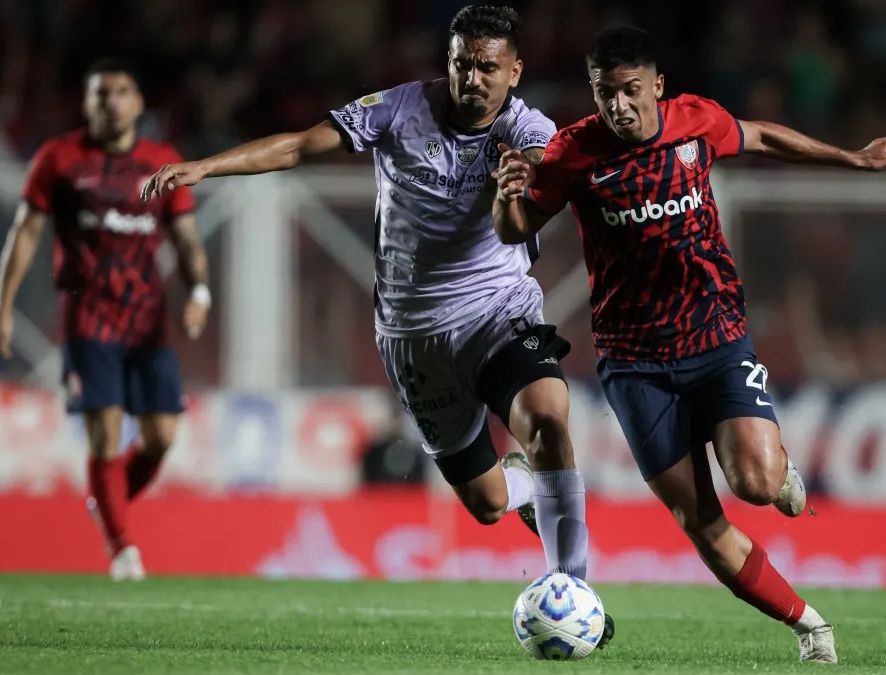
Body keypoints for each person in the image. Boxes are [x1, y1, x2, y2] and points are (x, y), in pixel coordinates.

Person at [141, 6, 612, 642]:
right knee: (487, 504)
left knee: (550, 419)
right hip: (412, 334)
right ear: (448, 62)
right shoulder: (398, 109)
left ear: (514, 72)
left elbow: (542, 162)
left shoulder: (526, 127)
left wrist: (524, 174)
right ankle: (524, 487)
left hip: (499, 309)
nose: (472, 78)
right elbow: (298, 146)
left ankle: (575, 593)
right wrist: (203, 167)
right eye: (461, 63)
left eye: (487, 67)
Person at [492, 26, 886, 664]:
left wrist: (852, 157)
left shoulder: (695, 121)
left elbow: (765, 136)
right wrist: (505, 195)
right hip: (634, 363)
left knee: (756, 481)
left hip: (716, 338)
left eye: (631, 90)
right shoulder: (572, 154)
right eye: (605, 93)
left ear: (657, 86)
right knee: (700, 522)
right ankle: (811, 626)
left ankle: (774, 462)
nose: (619, 105)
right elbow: (518, 226)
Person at [0, 59, 211, 581]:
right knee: (105, 432)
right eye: (101, 93)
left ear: (138, 102)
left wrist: (199, 291)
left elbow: (188, 240)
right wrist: (1, 307)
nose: (112, 101)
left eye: (122, 92)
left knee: (161, 438)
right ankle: (122, 547)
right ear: (87, 103)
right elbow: (25, 233)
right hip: (89, 317)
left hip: (148, 320)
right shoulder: (59, 158)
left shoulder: (162, 161)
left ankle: (106, 501)